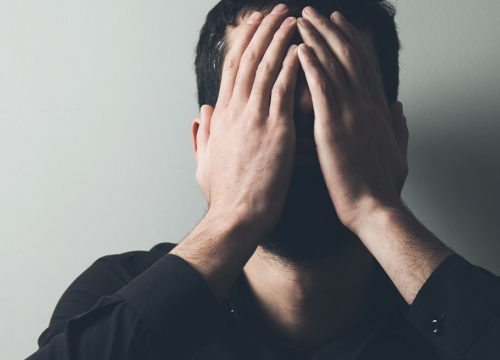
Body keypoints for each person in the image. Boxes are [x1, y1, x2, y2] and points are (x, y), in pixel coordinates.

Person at [27, 1, 500, 359]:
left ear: (395, 136)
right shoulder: (114, 292)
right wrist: (231, 217)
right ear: (206, 144)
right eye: (264, 113)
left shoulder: (465, 315)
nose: (302, 148)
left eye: (333, 113)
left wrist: (377, 211)